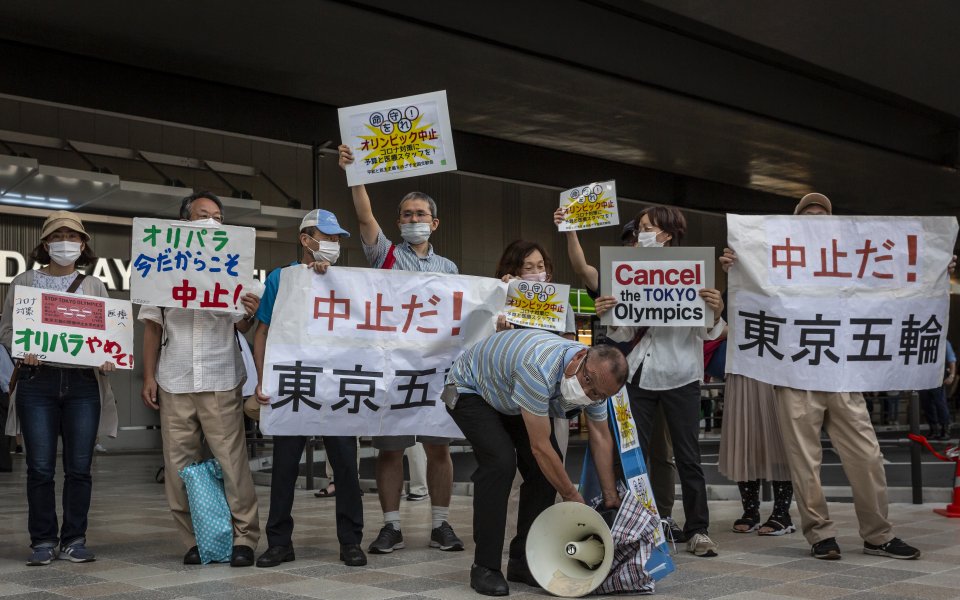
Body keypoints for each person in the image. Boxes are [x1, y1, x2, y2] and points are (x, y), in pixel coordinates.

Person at [721, 192, 923, 560]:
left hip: (843, 375)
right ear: (795, 224)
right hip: (795, 374)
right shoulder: (775, 260)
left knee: (867, 456)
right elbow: (747, 300)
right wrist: (736, 267)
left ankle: (878, 534)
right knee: (804, 462)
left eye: (823, 215)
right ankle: (820, 535)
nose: (816, 219)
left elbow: (892, 287)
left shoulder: (852, 261)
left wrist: (931, 265)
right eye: (807, 214)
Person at [338, 144, 463, 554]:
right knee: (390, 450)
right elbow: (364, 216)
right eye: (407, 215)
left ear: (435, 223)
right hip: (390, 369)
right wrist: (354, 172)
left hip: (432, 371)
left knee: (437, 447)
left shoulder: (449, 270)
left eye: (420, 215)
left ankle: (441, 524)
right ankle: (391, 525)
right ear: (398, 221)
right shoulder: (385, 254)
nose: (413, 220)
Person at [445, 329, 627, 596]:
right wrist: (572, 497)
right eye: (587, 381)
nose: (587, 393)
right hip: (470, 389)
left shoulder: (600, 384)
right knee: (500, 463)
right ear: (579, 356)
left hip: (509, 397)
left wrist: (611, 498)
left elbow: (600, 436)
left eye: (597, 394)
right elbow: (540, 448)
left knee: (545, 473)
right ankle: (484, 567)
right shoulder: (537, 366)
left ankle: (522, 561)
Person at [592, 206, 726, 557]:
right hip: (638, 375)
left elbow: (706, 330)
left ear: (667, 234)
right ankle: (633, 526)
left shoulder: (693, 272)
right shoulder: (626, 270)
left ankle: (698, 530)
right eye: (639, 229)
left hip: (681, 375)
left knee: (687, 456)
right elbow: (621, 330)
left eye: (647, 228)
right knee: (630, 454)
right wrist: (607, 310)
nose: (640, 234)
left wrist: (715, 308)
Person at [139, 191, 262, 567]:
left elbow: (242, 326)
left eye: (217, 216)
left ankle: (244, 537)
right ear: (184, 224)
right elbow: (151, 327)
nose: (210, 221)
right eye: (202, 215)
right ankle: (193, 539)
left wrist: (249, 314)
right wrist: (149, 376)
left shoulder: (237, 270)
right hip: (174, 377)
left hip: (221, 374)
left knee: (231, 461)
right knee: (178, 465)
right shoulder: (162, 269)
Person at [555, 210, 684, 541]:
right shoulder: (613, 280)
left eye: (640, 235)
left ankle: (663, 515)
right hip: (619, 380)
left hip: (663, 375)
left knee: (661, 451)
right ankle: (623, 508)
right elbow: (582, 268)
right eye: (630, 239)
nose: (635, 243)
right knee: (618, 445)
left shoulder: (674, 279)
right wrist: (570, 231)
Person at [0, 211, 119, 565]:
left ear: (83, 245)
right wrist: (25, 350)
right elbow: (6, 330)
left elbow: (109, 333)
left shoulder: (95, 286)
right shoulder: (23, 282)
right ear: (45, 243)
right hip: (38, 382)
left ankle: (74, 539)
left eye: (73, 236)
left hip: (84, 383)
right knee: (39, 467)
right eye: (57, 236)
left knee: (80, 466)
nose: (65, 242)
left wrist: (108, 355)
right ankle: (43, 540)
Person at [252, 209, 367, 568]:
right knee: (285, 467)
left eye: (336, 239)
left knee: (346, 467)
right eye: (327, 237)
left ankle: (351, 541)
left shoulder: (347, 280)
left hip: (335, 387)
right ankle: (279, 542)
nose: (333, 245)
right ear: (306, 240)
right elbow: (264, 331)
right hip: (293, 384)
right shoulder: (281, 279)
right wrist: (261, 378)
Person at [716, 288, 796, 535]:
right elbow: (722, 327)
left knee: (780, 440)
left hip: (778, 364)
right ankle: (750, 510)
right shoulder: (738, 280)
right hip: (744, 364)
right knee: (744, 437)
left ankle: (782, 513)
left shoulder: (785, 276)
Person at [918, 340, 956, 440]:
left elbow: (951, 360)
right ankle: (933, 428)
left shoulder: (944, 341)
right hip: (923, 375)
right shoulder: (921, 340)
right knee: (926, 403)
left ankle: (945, 428)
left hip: (938, 374)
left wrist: (951, 375)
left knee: (940, 402)